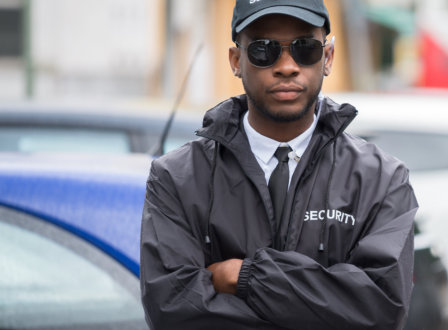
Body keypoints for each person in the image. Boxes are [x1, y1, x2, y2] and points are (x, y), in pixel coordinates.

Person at [140, 0, 418, 329]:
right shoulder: (177, 177)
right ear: (236, 60)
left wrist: (243, 276)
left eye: (305, 48)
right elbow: (173, 310)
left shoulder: (381, 179)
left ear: (327, 58)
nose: (287, 66)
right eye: (263, 49)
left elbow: (381, 308)